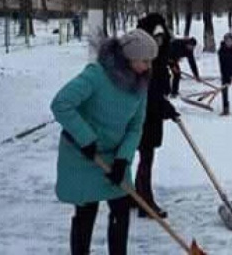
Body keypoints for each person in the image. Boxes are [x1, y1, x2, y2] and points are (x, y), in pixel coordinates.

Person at [51, 29, 158, 255]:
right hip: (83, 155)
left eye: (151, 61)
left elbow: (135, 126)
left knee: (121, 209)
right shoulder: (96, 76)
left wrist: (123, 158)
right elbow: (61, 104)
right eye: (145, 61)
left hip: (115, 155)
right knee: (86, 212)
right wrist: (86, 139)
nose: (148, 67)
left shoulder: (140, 85)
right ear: (128, 58)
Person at [135, 14, 180, 220]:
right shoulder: (140, 60)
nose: (159, 42)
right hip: (139, 116)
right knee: (145, 157)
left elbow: (159, 89)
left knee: (147, 156)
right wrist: (163, 106)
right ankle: (145, 201)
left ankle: (138, 196)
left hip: (152, 115)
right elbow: (146, 91)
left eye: (162, 38)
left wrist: (164, 105)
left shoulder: (160, 58)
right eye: (155, 38)